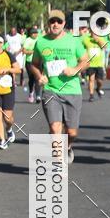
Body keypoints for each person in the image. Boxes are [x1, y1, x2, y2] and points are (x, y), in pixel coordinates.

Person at [28, 10, 89, 165]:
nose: (55, 24)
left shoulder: (73, 41)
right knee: (55, 129)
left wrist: (74, 70)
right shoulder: (41, 42)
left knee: (72, 132)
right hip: (51, 90)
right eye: (52, 21)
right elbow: (33, 64)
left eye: (59, 21)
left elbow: (85, 61)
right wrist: (39, 75)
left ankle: (67, 146)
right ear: (48, 23)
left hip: (72, 91)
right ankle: (58, 163)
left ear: (64, 24)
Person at [80, 24, 107, 101]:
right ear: (90, 31)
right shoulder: (85, 39)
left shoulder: (101, 38)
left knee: (99, 81)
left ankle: (98, 88)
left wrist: (98, 40)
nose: (94, 33)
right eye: (93, 31)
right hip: (90, 63)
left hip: (99, 63)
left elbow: (105, 47)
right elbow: (80, 48)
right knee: (91, 80)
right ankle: (91, 95)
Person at [23, 27, 40, 103]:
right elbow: (24, 51)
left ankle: (38, 96)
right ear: (30, 34)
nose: (35, 34)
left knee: (37, 78)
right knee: (31, 79)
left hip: (38, 62)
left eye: (36, 33)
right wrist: (32, 52)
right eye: (34, 33)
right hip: (29, 62)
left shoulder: (39, 39)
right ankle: (31, 93)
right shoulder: (28, 40)